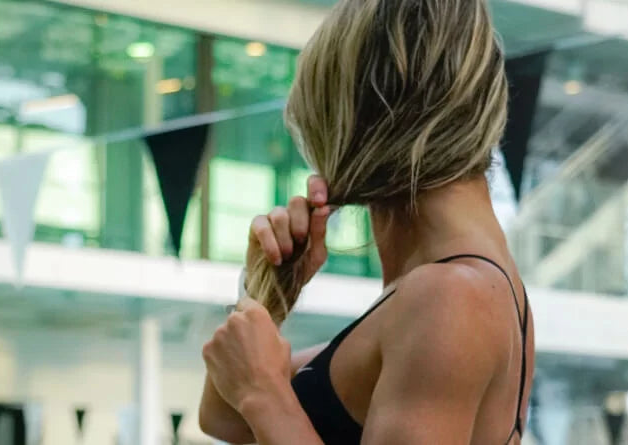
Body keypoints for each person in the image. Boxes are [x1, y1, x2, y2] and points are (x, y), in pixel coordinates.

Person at [198, 0, 534, 444]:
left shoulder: (451, 293)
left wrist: (264, 394)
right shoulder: (461, 286)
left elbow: (253, 403)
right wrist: (270, 295)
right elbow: (225, 419)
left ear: (353, 116)